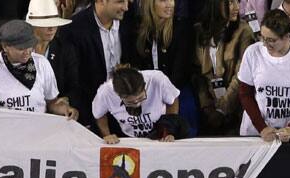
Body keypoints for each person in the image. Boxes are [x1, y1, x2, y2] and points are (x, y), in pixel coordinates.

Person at [238, 9, 290, 141]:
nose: (265, 44)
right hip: (255, 133)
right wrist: (261, 127)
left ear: (286, 36)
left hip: (288, 134)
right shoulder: (252, 53)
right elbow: (245, 94)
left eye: (271, 40)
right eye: (263, 37)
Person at [59, 0, 136, 128]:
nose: (126, 7)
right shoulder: (73, 29)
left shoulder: (131, 20)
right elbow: (73, 79)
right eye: (120, 2)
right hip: (90, 113)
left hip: (127, 111)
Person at [0, 20, 78, 118]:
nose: (27, 52)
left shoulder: (42, 63)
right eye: (21, 48)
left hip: (37, 128)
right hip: (4, 129)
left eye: (30, 46)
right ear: (5, 47)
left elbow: (51, 102)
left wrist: (66, 109)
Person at [192, 0, 254, 134]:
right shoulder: (198, 31)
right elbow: (198, 76)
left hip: (235, 107)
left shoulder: (244, 31)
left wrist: (222, 109)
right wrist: (207, 107)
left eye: (238, 2)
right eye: (231, 2)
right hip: (207, 108)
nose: (237, 8)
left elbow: (241, 75)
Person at [92, 65, 180, 143]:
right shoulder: (105, 92)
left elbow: (172, 100)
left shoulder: (157, 79)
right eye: (130, 102)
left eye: (140, 98)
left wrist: (169, 129)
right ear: (118, 95)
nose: (137, 104)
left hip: (159, 130)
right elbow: (99, 115)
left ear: (144, 85)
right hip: (127, 136)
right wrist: (107, 135)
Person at [27, 0, 81, 113]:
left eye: (54, 22)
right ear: (33, 24)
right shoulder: (19, 49)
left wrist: (66, 99)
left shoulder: (65, 49)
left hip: (56, 114)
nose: (52, 28)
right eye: (46, 24)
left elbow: (74, 85)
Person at [133, 0, 192, 90]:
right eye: (163, 0)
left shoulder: (181, 29)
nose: (170, 5)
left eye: (171, 0)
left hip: (174, 91)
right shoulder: (137, 28)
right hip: (145, 91)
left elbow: (179, 73)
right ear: (150, 3)